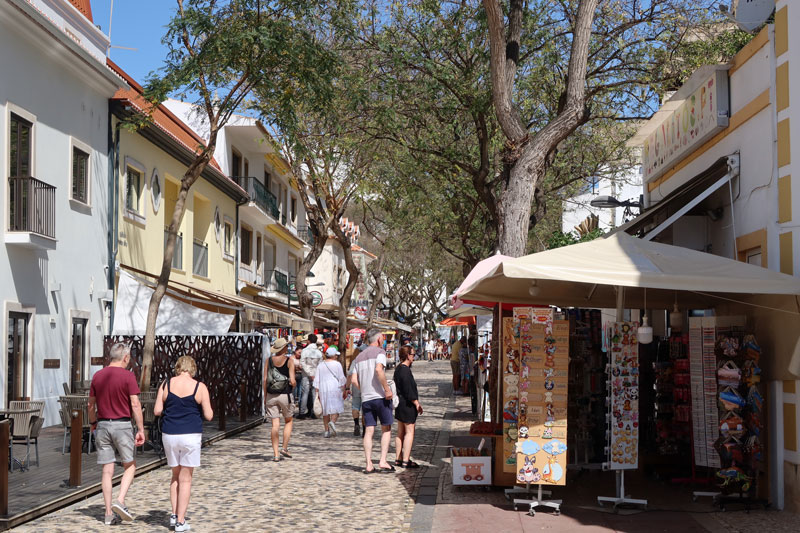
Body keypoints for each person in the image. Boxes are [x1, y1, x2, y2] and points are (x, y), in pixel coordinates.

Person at [154, 356, 214, 532]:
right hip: (190, 434)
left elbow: (157, 410)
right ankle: (181, 521)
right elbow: (209, 415)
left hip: (170, 433)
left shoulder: (166, 385)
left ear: (178, 368)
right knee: (186, 478)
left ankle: (173, 515)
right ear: (193, 369)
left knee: (175, 475)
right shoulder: (199, 387)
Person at [87, 343, 145, 525]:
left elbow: (90, 405)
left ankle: (107, 513)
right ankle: (120, 500)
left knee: (107, 470)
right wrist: (141, 429)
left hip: (103, 424)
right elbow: (135, 404)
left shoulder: (97, 376)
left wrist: (92, 423)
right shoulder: (128, 376)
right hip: (122, 425)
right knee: (130, 465)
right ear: (126, 358)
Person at [350, 329, 394, 473]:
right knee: (386, 428)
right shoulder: (380, 353)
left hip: (366, 398)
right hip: (380, 396)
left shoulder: (359, 357)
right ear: (379, 339)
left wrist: (363, 389)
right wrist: (387, 389)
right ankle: (382, 460)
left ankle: (368, 463)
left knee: (369, 430)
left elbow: (354, 380)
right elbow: (379, 370)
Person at [263, 338, 296, 462]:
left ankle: (276, 454)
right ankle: (284, 448)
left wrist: (265, 396)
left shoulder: (268, 360)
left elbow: (265, 380)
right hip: (285, 395)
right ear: (284, 348)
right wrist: (294, 385)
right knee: (288, 421)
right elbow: (292, 381)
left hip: (271, 395)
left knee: (274, 425)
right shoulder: (289, 361)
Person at [394, 345, 423, 468]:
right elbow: (408, 390)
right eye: (412, 354)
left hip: (400, 404)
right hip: (407, 404)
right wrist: (416, 403)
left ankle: (398, 458)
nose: (414, 357)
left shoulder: (398, 369)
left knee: (400, 432)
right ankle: (405, 459)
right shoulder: (405, 371)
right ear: (407, 356)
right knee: (409, 432)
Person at [315, 346, 347, 437]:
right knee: (337, 407)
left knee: (325, 410)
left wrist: (317, 392)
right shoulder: (337, 364)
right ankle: (332, 422)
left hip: (323, 388)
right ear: (333, 356)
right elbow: (341, 378)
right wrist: (344, 389)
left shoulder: (321, 365)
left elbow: (317, 379)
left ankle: (326, 431)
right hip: (335, 387)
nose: (337, 357)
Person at [299, 334, 323, 419]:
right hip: (315, 374)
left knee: (304, 393)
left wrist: (308, 372)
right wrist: (315, 374)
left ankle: (302, 412)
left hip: (305, 374)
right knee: (314, 393)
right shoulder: (319, 352)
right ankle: (314, 412)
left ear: (308, 341)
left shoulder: (305, 351)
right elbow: (320, 365)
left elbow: (302, 363)